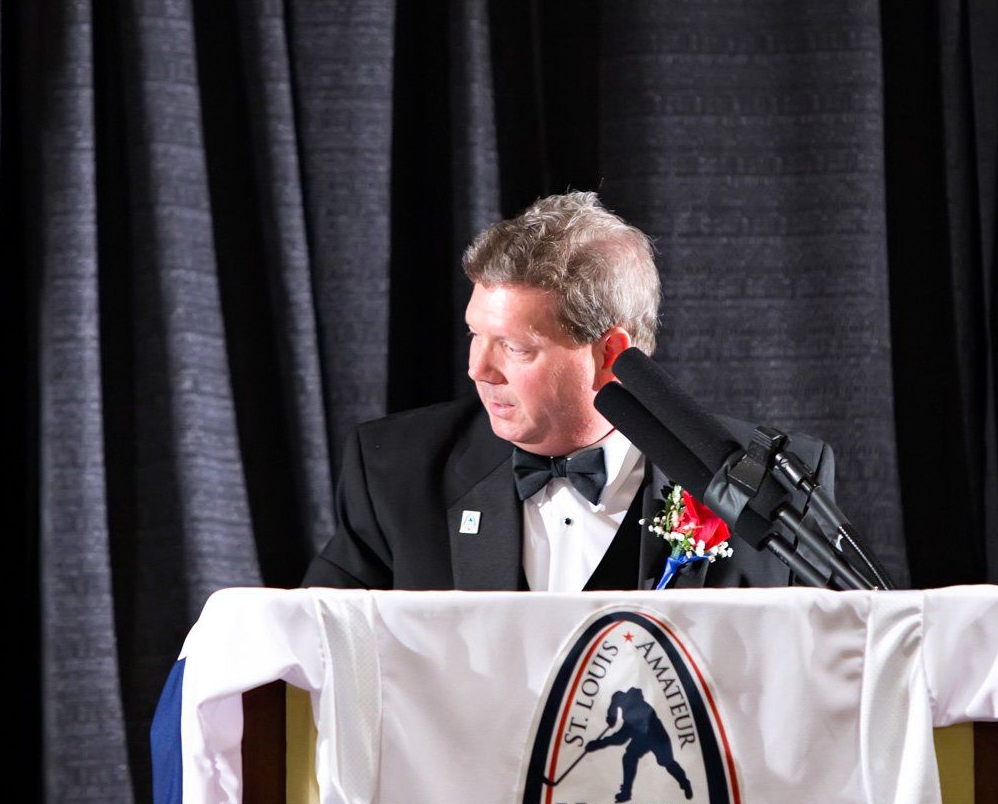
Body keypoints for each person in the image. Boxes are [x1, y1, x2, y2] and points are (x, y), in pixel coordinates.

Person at [304, 190, 836, 593]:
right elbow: (309, 655)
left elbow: (834, 668)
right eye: (474, 335)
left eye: (514, 347)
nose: (478, 370)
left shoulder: (771, 482)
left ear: (611, 354)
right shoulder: (393, 471)